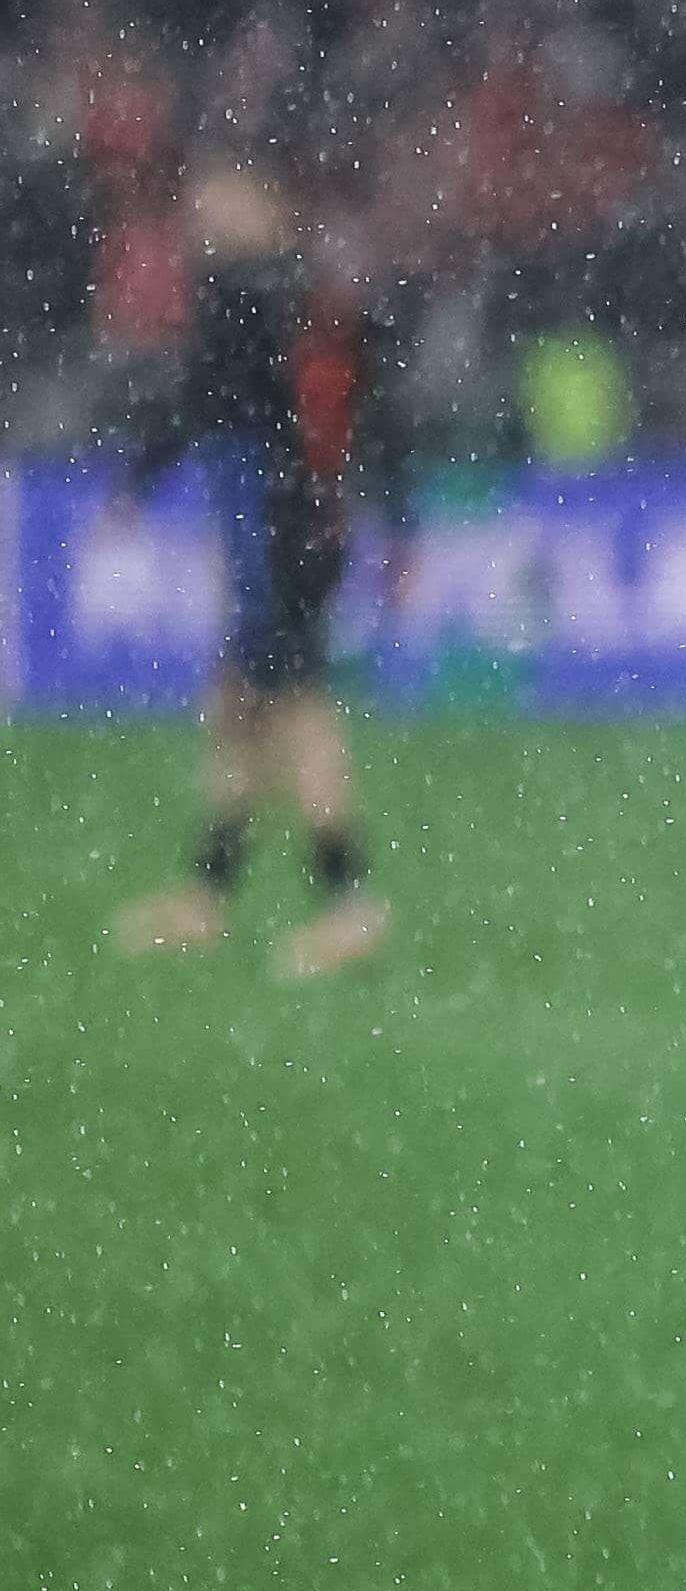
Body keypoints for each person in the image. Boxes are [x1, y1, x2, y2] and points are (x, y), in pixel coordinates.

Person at [107, 153, 397, 979]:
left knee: (296, 712)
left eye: (223, 199)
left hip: (279, 535)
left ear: (266, 209)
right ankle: (209, 893)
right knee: (239, 705)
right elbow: (370, 406)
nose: (204, 212)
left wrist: (137, 480)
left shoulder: (249, 299)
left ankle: (350, 903)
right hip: (303, 529)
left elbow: (202, 400)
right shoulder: (310, 302)